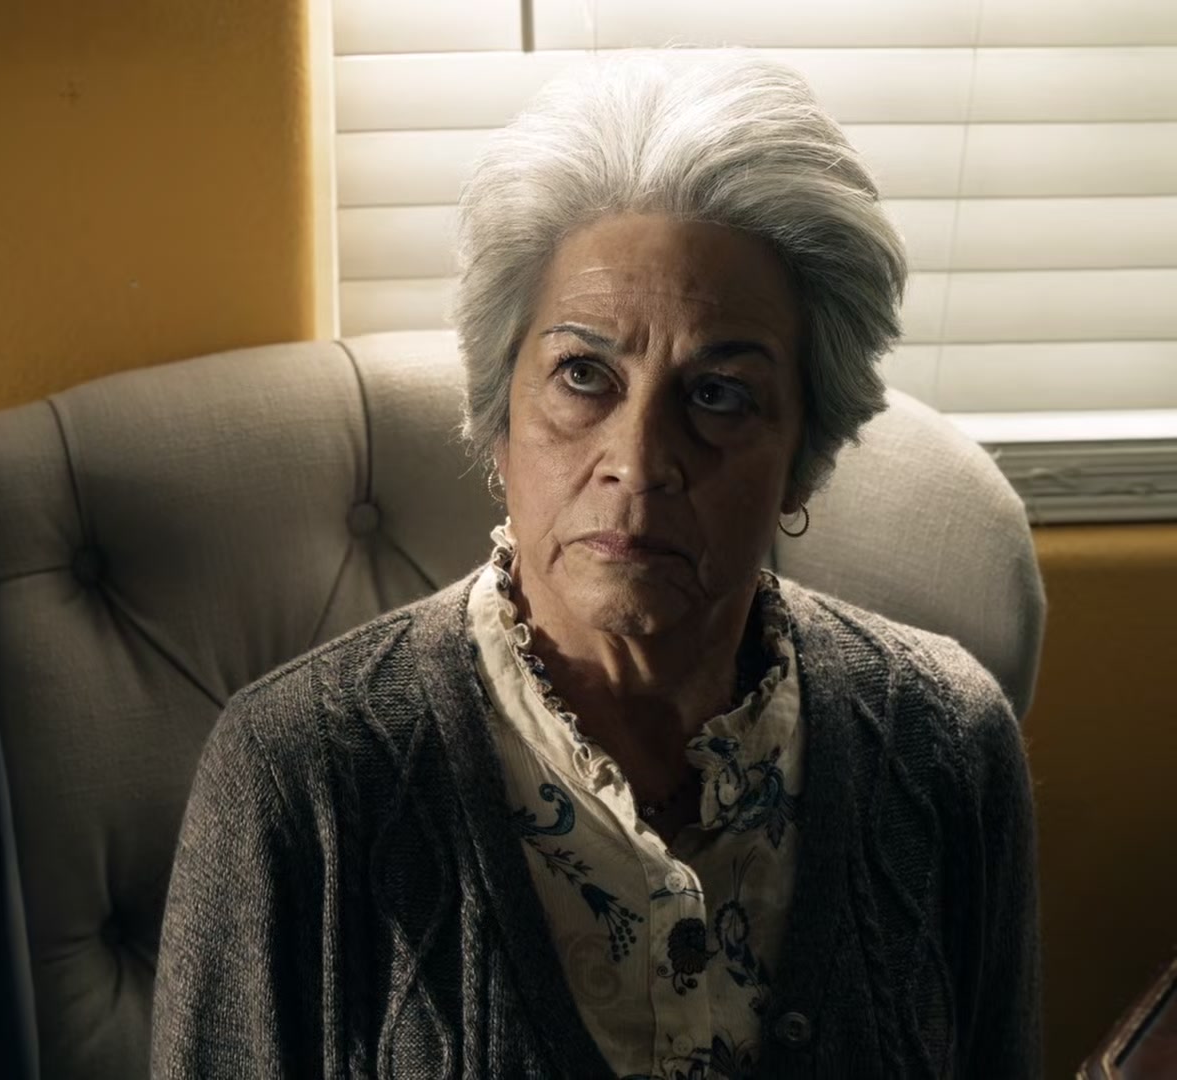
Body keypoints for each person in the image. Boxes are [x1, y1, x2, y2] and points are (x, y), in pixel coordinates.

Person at [150, 53, 1040, 1079]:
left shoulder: (946, 744)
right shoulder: (299, 775)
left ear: (804, 457)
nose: (640, 460)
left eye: (717, 394)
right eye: (583, 375)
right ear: (498, 419)